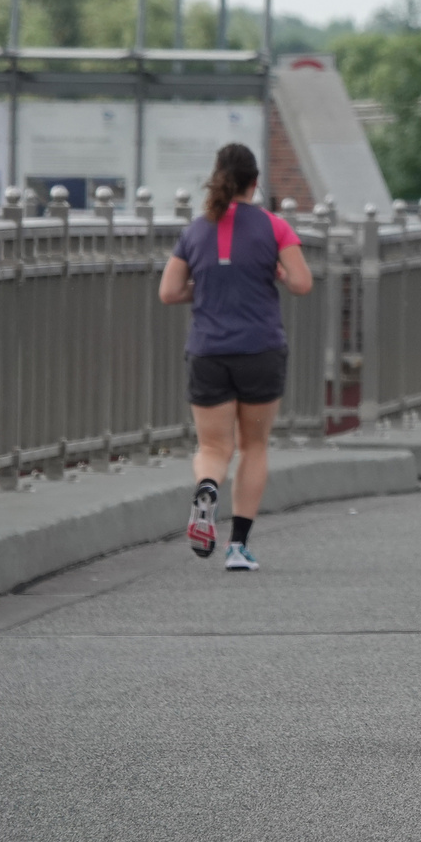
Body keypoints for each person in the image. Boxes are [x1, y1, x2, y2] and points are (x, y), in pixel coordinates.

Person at [158, 144, 314, 571]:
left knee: (212, 445)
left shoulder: (194, 231)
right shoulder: (274, 226)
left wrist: (204, 289)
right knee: (254, 446)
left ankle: (208, 486)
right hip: (260, 350)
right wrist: (275, 274)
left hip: (208, 352)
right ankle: (237, 546)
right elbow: (302, 282)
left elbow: (169, 291)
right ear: (255, 182)